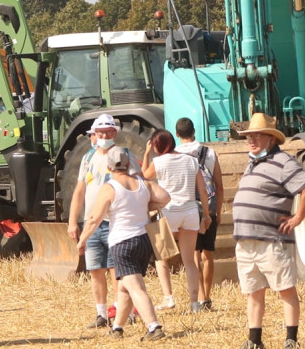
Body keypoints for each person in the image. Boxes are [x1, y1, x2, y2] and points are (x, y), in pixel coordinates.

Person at [232, 112, 305, 349]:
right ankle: (254, 341)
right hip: (247, 241)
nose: (251, 140)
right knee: (253, 292)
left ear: (271, 138)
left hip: (272, 240)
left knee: (285, 289)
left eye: (257, 135)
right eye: (249, 135)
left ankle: (291, 340)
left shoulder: (284, 162)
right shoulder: (253, 162)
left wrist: (298, 217)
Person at [76, 147, 169, 341]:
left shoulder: (110, 187)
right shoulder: (143, 182)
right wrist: (147, 205)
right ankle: (117, 327)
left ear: (109, 167)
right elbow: (165, 198)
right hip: (144, 241)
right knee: (124, 287)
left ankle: (154, 327)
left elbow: (94, 218)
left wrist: (82, 240)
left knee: (135, 288)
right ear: (128, 164)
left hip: (122, 243)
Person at [67, 114, 142, 329]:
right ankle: (101, 314)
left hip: (115, 221)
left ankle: (121, 311)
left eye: (109, 132)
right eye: (101, 132)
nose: (105, 136)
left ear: (115, 133)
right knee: (95, 269)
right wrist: (73, 221)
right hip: (91, 222)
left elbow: (138, 182)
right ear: (94, 134)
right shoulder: (87, 158)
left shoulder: (124, 156)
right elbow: (79, 190)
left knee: (115, 269)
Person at [142, 131, 210, 312]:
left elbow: (144, 177)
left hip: (168, 211)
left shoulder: (158, 162)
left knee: (161, 257)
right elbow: (202, 191)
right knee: (189, 261)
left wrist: (146, 154)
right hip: (189, 212)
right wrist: (207, 214)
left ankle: (168, 298)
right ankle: (195, 303)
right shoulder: (191, 161)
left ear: (157, 146)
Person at [174, 116, 223, 310]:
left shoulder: (175, 154)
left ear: (177, 134)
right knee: (207, 254)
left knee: (193, 255)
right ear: (194, 132)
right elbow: (219, 186)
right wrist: (217, 212)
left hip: (187, 209)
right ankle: (207, 298)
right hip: (208, 209)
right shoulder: (209, 153)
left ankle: (198, 295)